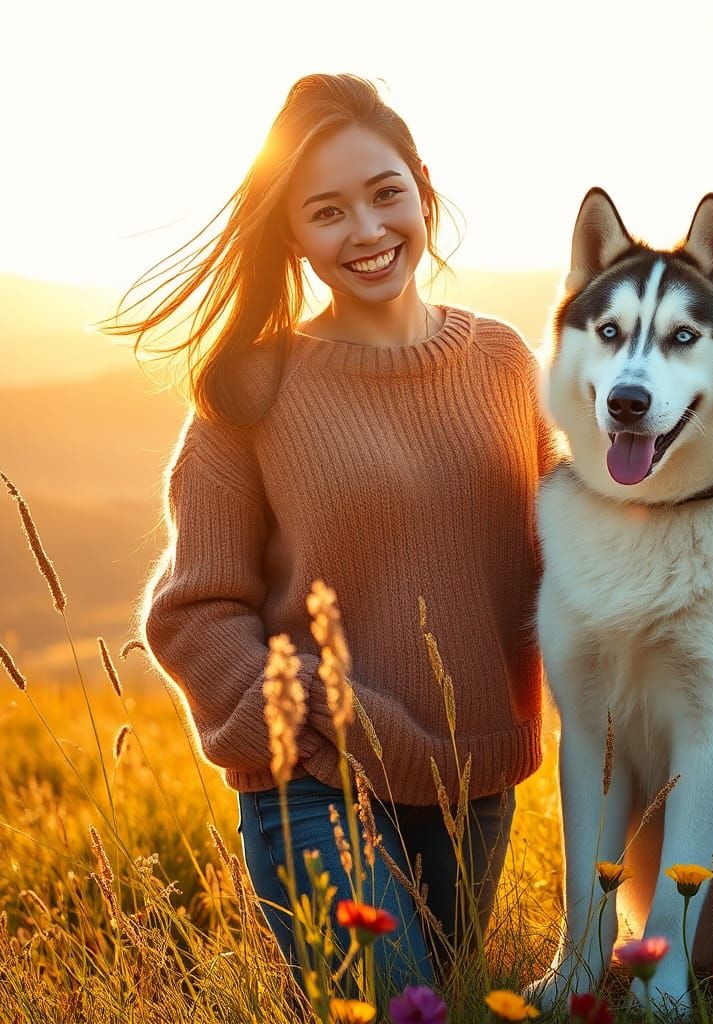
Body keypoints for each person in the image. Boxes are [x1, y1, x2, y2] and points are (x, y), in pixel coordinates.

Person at [103, 73, 560, 997]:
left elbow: (573, 556)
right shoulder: (253, 390)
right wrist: (297, 715)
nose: (366, 230)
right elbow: (192, 609)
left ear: (422, 189)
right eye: (327, 212)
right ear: (294, 236)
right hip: (317, 781)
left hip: (473, 783)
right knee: (402, 1012)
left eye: (385, 193)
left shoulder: (507, 363)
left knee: (449, 1004)